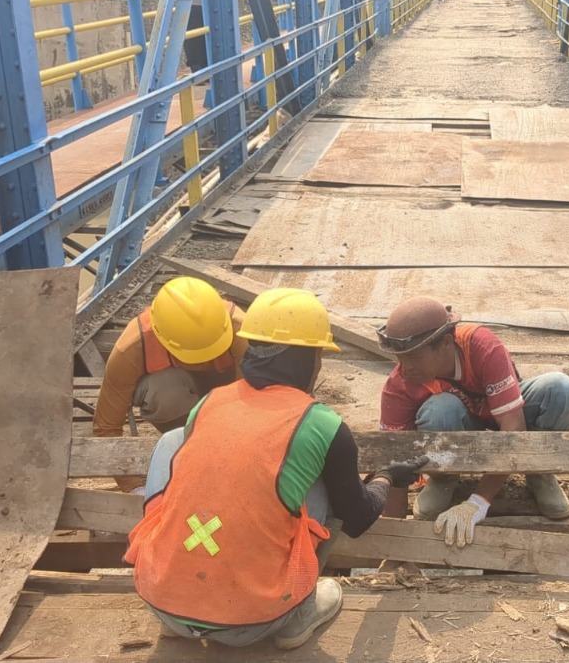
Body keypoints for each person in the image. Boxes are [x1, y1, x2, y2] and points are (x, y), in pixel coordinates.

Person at [125, 288, 427, 649]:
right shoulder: (321, 424)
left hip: (160, 603)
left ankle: (180, 603)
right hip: (253, 622)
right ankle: (297, 616)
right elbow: (358, 516)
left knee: (173, 442)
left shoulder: (210, 402)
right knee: (314, 474)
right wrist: (387, 477)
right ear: (308, 358)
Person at [377, 296, 569, 545]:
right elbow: (394, 459)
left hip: (502, 413)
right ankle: (445, 476)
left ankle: (537, 468)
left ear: (446, 343)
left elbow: (513, 427)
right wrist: (394, 546)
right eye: (400, 359)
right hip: (462, 423)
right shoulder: (399, 385)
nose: (405, 368)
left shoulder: (482, 347)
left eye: (414, 358)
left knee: (559, 389)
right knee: (440, 411)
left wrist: (478, 502)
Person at [92, 277, 248, 493]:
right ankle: (186, 448)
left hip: (231, 399)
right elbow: (106, 428)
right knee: (160, 390)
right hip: (179, 398)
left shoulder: (242, 331)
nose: (203, 359)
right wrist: (134, 487)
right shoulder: (131, 349)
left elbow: (264, 399)